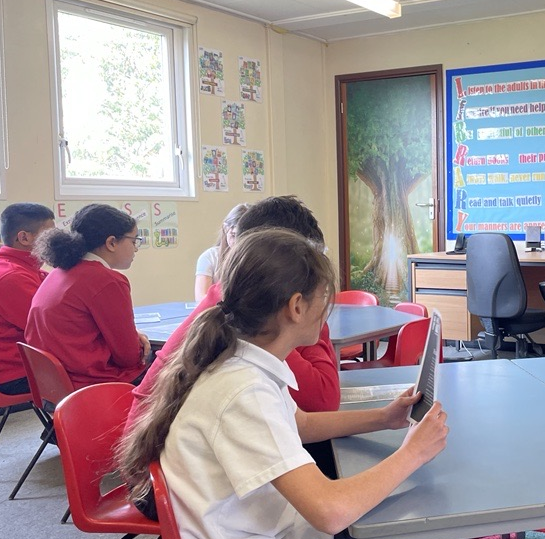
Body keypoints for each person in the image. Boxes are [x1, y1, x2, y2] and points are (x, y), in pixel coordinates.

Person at [117, 228, 449, 537]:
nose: (327, 310)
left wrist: (382, 418)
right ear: (296, 306)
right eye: (323, 298)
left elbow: (298, 423)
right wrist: (412, 454)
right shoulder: (243, 388)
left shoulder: (242, 361)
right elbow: (329, 511)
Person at [126, 195, 340, 436]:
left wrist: (385, 418)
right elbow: (324, 400)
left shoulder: (237, 304)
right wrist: (312, 315)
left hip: (151, 450)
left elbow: (305, 417)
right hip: (156, 458)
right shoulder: (251, 324)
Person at [25, 204, 150, 389]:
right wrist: (138, 344)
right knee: (174, 362)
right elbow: (128, 357)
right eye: (134, 241)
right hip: (93, 383)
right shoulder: (107, 281)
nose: (136, 249)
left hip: (54, 384)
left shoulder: (58, 272)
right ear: (112, 243)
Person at [0, 203, 55, 395]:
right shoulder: (12, 278)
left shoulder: (28, 270)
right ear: (24, 237)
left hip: (24, 363)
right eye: (49, 234)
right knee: (122, 369)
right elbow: (52, 331)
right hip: (15, 372)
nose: (56, 241)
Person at [194, 203, 249, 302]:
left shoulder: (256, 258)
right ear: (226, 228)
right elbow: (201, 300)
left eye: (245, 238)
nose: (238, 243)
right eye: (233, 235)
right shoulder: (209, 257)